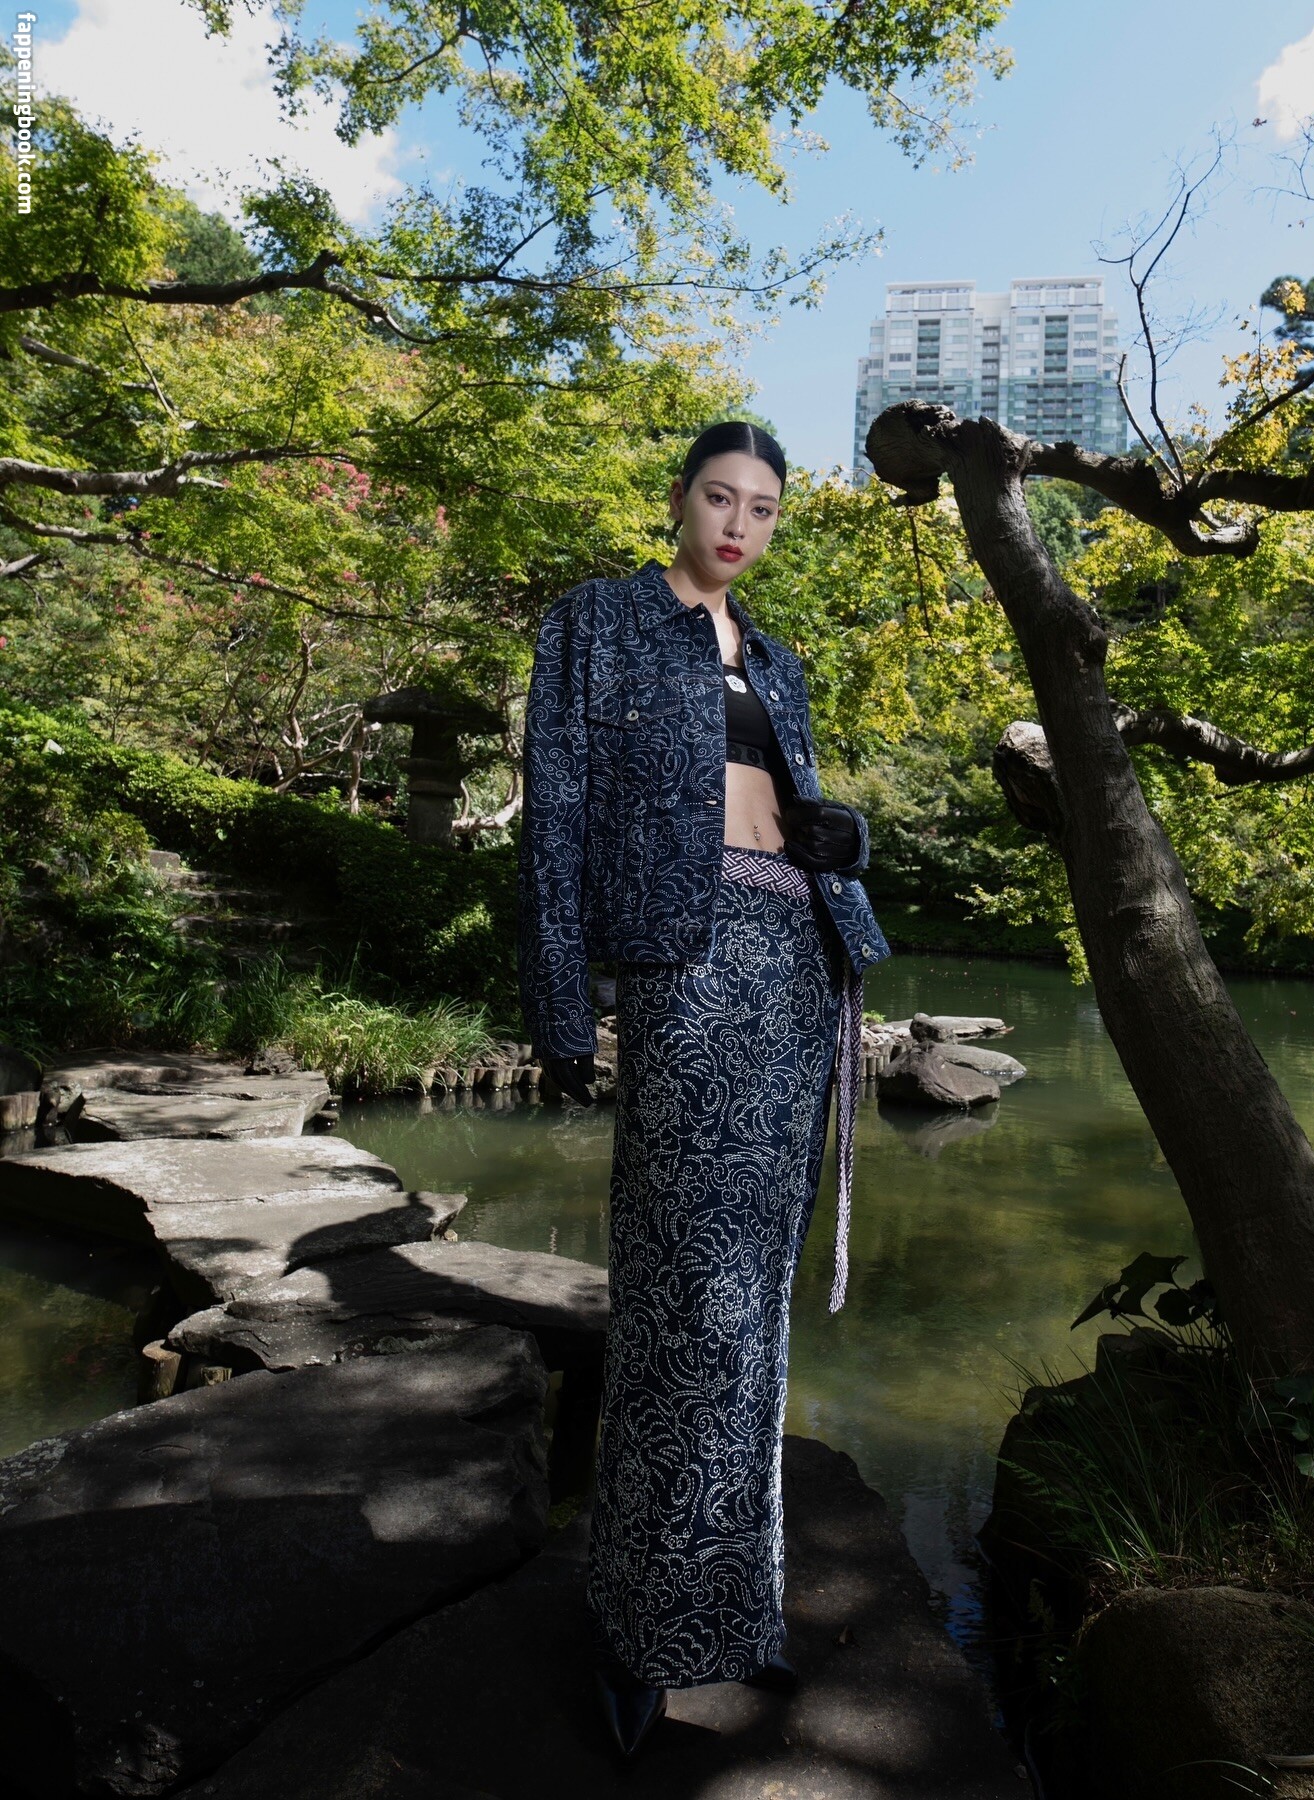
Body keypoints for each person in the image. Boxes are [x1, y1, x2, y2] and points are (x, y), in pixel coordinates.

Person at [516, 420, 891, 1758]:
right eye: (721, 498)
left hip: (799, 958)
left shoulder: (777, 662)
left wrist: (847, 838)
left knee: (753, 1313)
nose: (739, 525)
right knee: (681, 1299)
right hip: (683, 964)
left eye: (764, 509)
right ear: (680, 500)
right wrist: (561, 1000)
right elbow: (556, 813)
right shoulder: (599, 622)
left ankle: (734, 1614)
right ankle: (636, 1625)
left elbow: (801, 812)